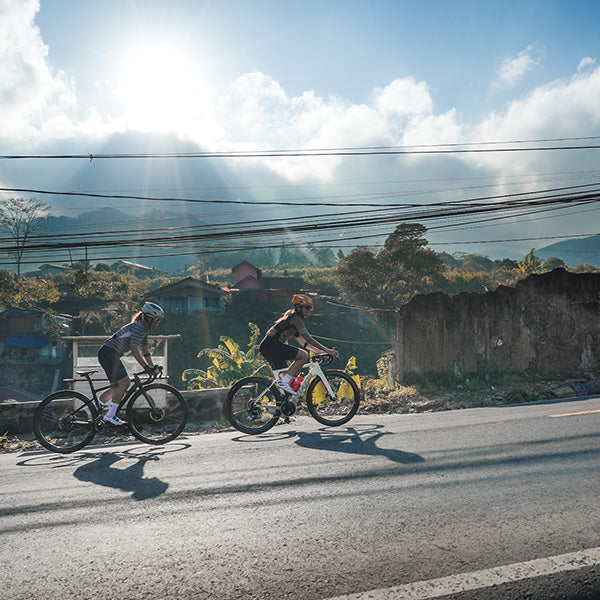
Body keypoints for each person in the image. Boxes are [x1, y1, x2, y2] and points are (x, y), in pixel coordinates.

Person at [97, 302, 164, 425]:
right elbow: (134, 349)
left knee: (116, 387)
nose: (158, 322)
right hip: (109, 353)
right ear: (148, 318)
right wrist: (145, 367)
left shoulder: (144, 328)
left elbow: (145, 350)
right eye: (157, 319)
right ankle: (110, 416)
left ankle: (96, 408)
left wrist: (152, 366)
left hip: (109, 353)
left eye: (159, 320)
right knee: (125, 382)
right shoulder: (139, 327)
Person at [259, 294, 338, 394]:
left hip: (268, 347)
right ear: (299, 308)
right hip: (272, 346)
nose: (309, 311)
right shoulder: (296, 320)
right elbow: (309, 339)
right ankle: (284, 383)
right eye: (307, 308)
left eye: (310, 308)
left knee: (286, 380)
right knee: (303, 355)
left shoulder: (292, 319)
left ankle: (280, 406)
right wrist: (328, 351)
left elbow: (303, 343)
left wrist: (319, 352)